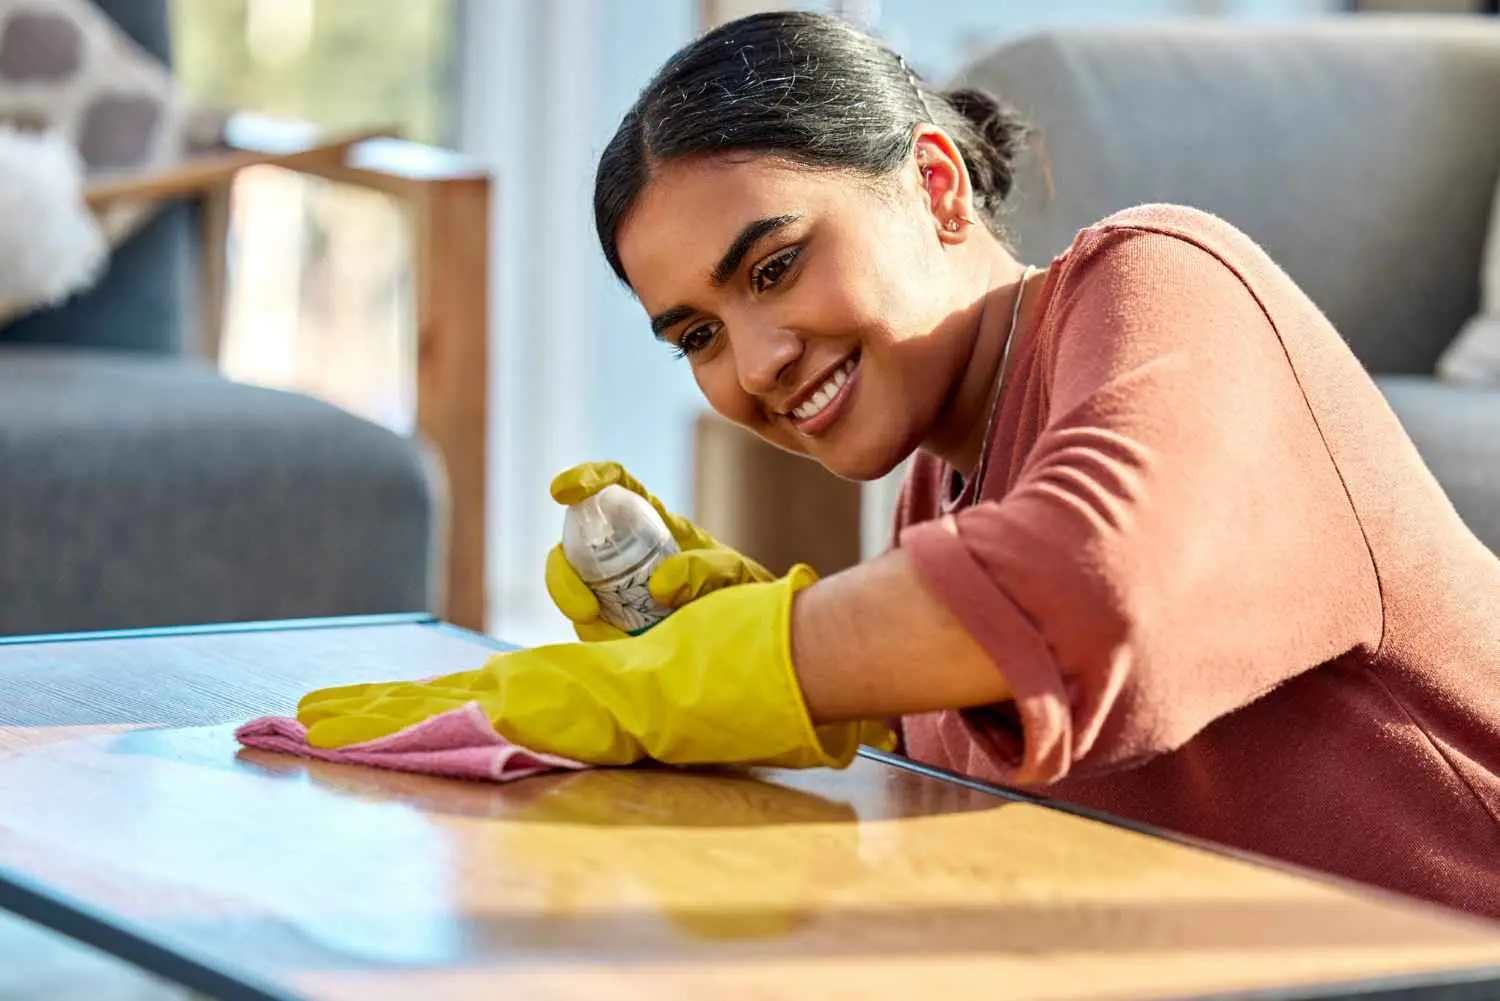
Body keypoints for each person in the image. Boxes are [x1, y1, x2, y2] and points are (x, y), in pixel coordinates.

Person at [296, 11, 1500, 917]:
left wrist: (723, 666)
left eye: (773, 267)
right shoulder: (937, 478)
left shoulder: (1170, 279)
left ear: (933, 183)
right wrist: (783, 652)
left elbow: (1087, 589)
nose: (757, 361)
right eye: (698, 336)